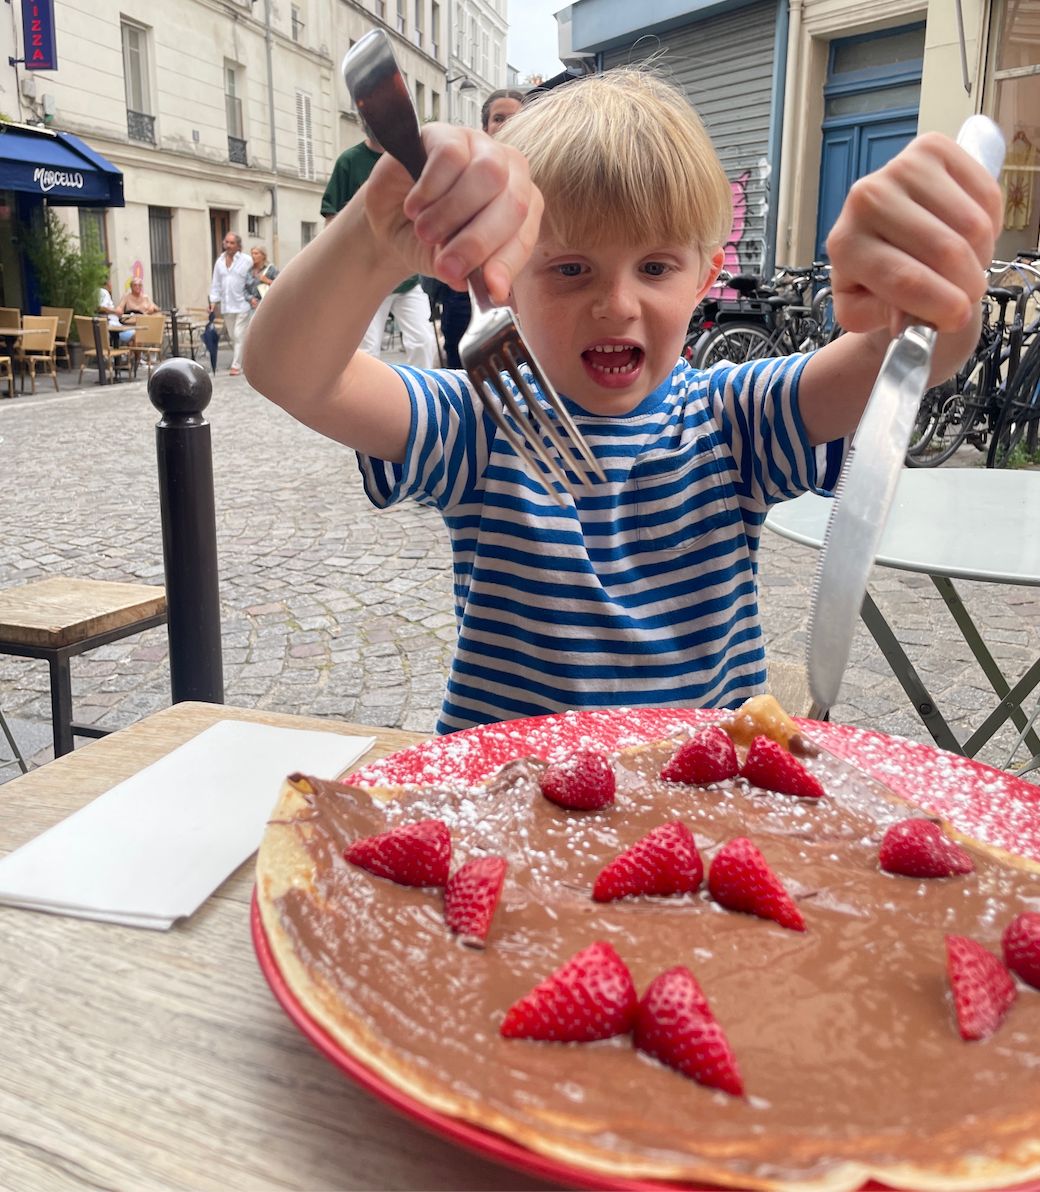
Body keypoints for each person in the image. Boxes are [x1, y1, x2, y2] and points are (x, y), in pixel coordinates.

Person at [244, 69, 999, 735]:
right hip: (511, 812)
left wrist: (930, 289)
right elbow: (290, 371)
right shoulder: (482, 418)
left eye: (656, 266)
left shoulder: (734, 419)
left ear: (704, 279)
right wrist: (375, 240)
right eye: (571, 268)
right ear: (503, 276)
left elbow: (903, 361)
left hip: (695, 810)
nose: (616, 304)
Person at [321, 126, 437, 368]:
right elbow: (331, 219)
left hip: (407, 276)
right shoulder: (349, 161)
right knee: (366, 350)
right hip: (367, 277)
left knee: (424, 342)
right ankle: (367, 403)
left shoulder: (410, 160)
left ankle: (421, 397)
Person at [437, 88, 525, 367]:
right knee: (461, 363)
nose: (507, 125)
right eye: (499, 118)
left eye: (516, 118)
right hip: (466, 293)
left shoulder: (546, 171)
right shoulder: (461, 171)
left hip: (524, 295)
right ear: (485, 127)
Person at [208, 231, 252, 375]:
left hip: (243, 304)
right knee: (234, 336)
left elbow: (254, 278)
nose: (228, 245)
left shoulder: (246, 260)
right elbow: (216, 283)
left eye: (232, 243)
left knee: (239, 335)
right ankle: (247, 360)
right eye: (226, 242)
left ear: (238, 245)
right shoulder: (220, 261)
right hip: (227, 305)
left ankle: (236, 366)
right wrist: (213, 302)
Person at [97, 278, 134, 344]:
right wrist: (116, 311)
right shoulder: (104, 292)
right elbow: (101, 308)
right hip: (114, 330)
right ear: (108, 283)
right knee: (137, 335)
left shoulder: (98, 292)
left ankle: (129, 353)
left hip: (112, 329)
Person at [244, 245, 279, 313]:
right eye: (252, 253)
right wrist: (251, 299)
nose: (253, 256)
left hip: (267, 306)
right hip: (250, 307)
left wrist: (267, 281)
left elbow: (280, 286)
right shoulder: (249, 270)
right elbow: (244, 288)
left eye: (256, 253)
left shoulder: (271, 269)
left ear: (263, 255)